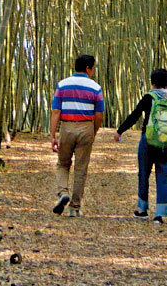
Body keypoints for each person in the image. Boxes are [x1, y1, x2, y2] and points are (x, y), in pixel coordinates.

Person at [115, 68, 167, 225]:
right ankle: (160, 213)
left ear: (152, 82)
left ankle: (143, 210)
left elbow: (135, 115)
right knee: (163, 176)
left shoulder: (149, 97)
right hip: (166, 142)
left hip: (148, 140)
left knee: (144, 173)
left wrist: (120, 131)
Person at [49, 54, 105, 217]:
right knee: (81, 168)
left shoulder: (62, 85)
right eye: (93, 68)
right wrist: (94, 131)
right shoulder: (95, 87)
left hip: (66, 127)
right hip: (86, 126)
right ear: (88, 68)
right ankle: (75, 207)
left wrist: (53, 135)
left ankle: (63, 192)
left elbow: (56, 111)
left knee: (63, 164)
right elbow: (99, 113)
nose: (93, 71)